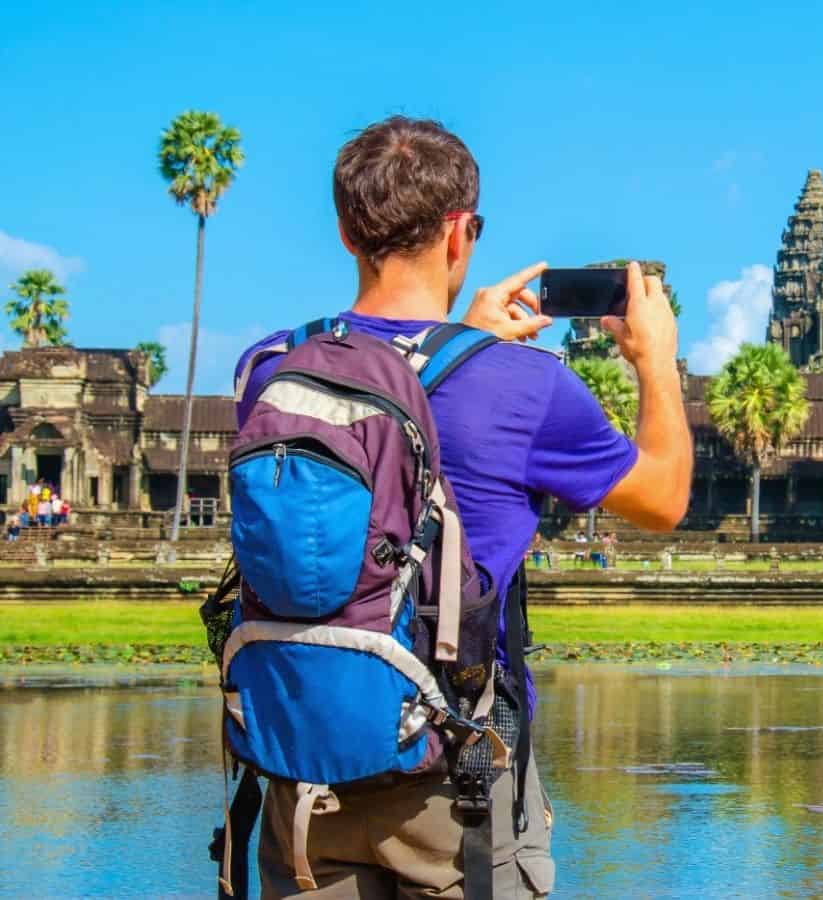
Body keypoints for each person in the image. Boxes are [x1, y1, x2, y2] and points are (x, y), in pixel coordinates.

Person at [233, 116, 691, 899]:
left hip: (298, 773)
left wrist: (453, 342)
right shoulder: (525, 383)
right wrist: (658, 362)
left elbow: (389, 393)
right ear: (460, 233)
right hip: (453, 784)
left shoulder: (272, 369)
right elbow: (663, 498)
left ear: (346, 232)